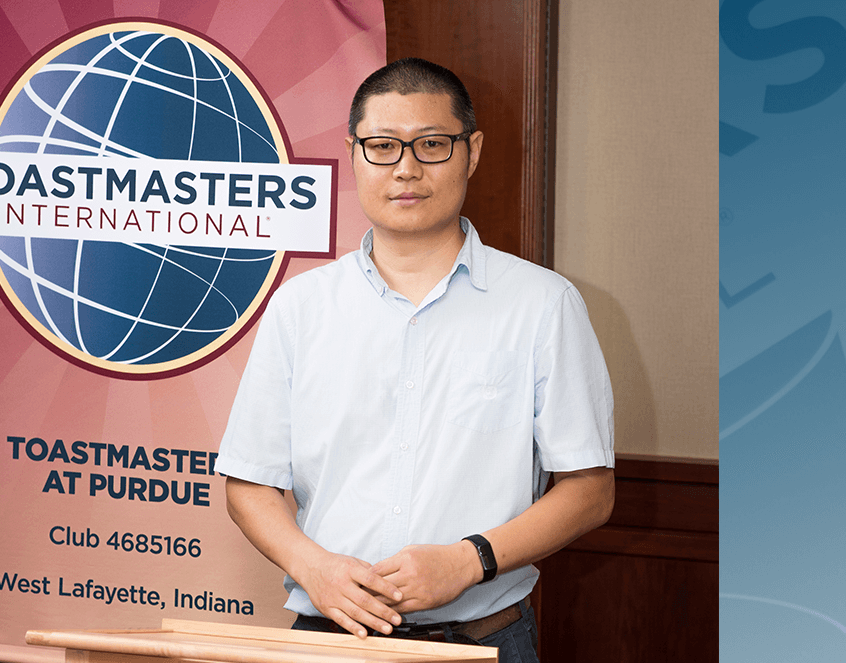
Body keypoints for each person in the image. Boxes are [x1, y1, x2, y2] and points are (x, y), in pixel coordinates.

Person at [216, 57, 614, 663]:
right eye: (382, 146)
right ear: (354, 154)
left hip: (483, 643)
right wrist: (313, 566)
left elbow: (589, 489)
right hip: (327, 644)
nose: (406, 168)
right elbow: (250, 483)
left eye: (432, 145)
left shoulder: (544, 305)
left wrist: (469, 558)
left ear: (471, 152)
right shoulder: (300, 307)